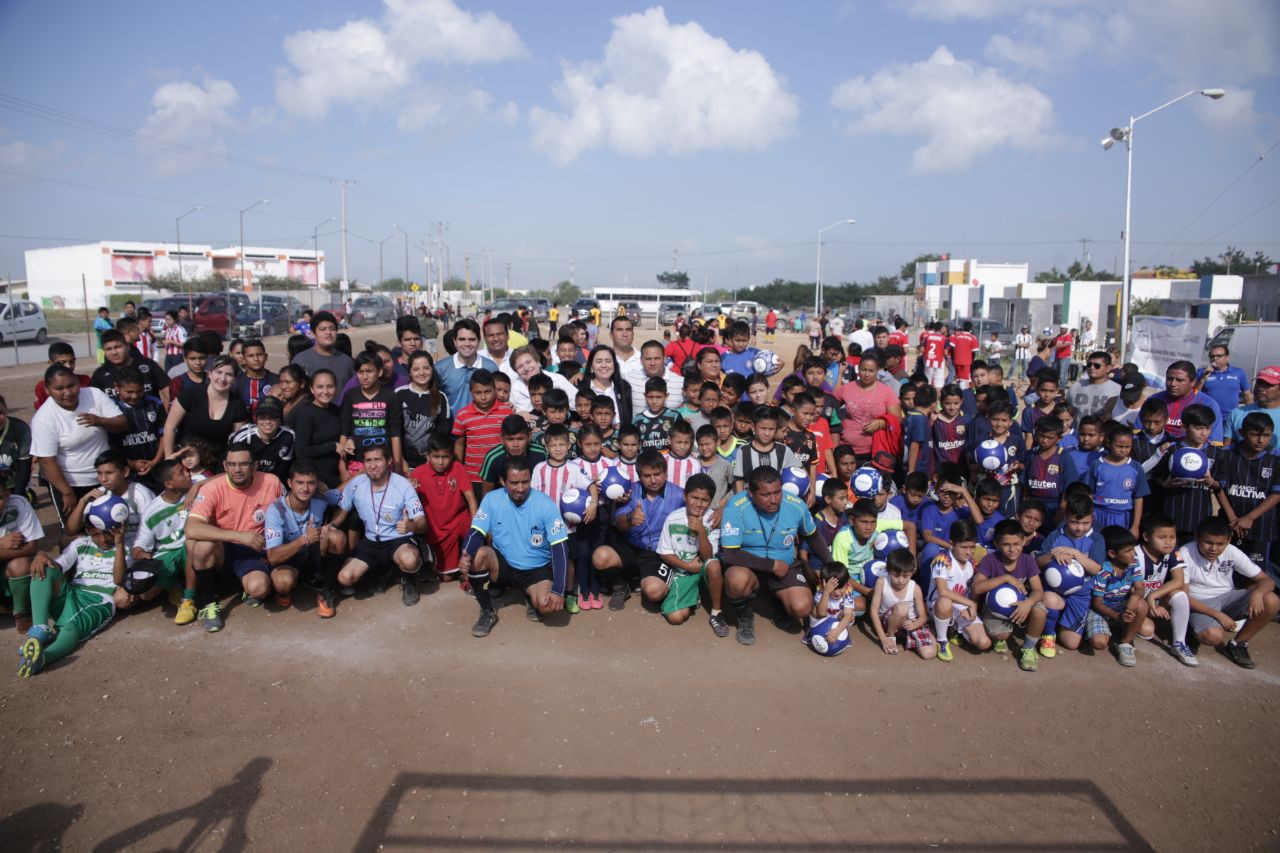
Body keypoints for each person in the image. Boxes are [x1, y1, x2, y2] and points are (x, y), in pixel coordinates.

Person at [718, 466, 833, 646]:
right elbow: (731, 554)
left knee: (802, 607)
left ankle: (778, 600)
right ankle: (744, 614)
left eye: (777, 492)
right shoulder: (736, 506)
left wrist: (832, 565)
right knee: (736, 580)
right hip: (750, 567)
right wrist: (771, 565)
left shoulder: (796, 505)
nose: (774, 500)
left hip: (785, 567)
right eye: (765, 495)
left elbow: (813, 537)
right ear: (750, 493)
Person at [459, 455, 571, 637]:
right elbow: (476, 531)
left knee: (547, 606)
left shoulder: (545, 504)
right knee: (477, 555)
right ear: (503, 481)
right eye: (514, 483)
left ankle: (530, 595)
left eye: (525, 482)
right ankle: (487, 611)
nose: (520, 488)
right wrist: (466, 554)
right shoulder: (491, 500)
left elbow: (560, 549)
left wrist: (559, 588)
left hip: (536, 570)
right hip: (503, 566)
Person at [185, 445, 286, 632]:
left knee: (259, 588)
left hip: (253, 549)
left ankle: (241, 584)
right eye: (231, 464)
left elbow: (287, 513)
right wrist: (238, 536)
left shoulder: (272, 482)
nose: (237, 470)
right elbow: (191, 528)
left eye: (243, 464)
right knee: (199, 546)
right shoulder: (212, 488)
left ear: (254, 466)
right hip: (222, 547)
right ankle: (209, 605)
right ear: (224, 465)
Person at [15, 519, 126, 677]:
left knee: (70, 628)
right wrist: (41, 556)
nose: (103, 539)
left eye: (107, 533)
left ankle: (44, 657)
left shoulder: (126, 547)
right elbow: (57, 566)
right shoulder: (81, 544)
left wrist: (120, 544)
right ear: (88, 531)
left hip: (99, 600)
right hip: (72, 592)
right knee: (43, 568)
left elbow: (119, 580)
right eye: (96, 534)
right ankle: (40, 629)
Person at [329, 444, 426, 607]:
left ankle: (409, 579)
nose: (373, 465)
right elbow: (342, 511)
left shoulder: (403, 485)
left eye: (377, 459)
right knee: (345, 578)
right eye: (368, 460)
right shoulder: (356, 483)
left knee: (409, 560)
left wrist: (411, 526)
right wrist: (330, 525)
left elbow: (422, 523)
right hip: (371, 542)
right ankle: (386, 571)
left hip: (398, 540)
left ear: (388, 460)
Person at [1179, 515, 1279, 669]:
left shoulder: (1231, 551)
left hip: (1227, 598)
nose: (1214, 549)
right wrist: (1217, 615)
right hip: (1197, 603)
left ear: (1229, 540)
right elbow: (1183, 596)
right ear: (1197, 537)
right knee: (1213, 636)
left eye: (1220, 544)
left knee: (1271, 600)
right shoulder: (1185, 552)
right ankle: (1190, 630)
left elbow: (1268, 581)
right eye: (1208, 542)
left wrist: (1258, 594)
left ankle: (1238, 644)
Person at [32, 365, 127, 526]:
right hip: (70, 483)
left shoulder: (94, 394)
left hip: (104, 479)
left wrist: (100, 420)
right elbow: (47, 461)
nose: (68, 393)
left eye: (71, 385)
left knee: (113, 524)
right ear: (47, 390)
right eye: (59, 388)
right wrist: (67, 492)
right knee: (72, 531)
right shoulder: (44, 418)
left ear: (78, 381)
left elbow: (122, 423)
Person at [593, 449, 686, 611]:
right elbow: (620, 524)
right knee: (600, 557)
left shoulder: (679, 495)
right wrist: (630, 519)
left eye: (657, 474)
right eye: (647, 476)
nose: (653, 480)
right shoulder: (629, 491)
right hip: (631, 548)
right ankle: (621, 586)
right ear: (639, 476)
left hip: (659, 553)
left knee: (654, 593)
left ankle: (654, 580)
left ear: (666, 473)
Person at [130, 459, 196, 626]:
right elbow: (139, 546)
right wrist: (142, 555)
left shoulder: (195, 486)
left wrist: (197, 487)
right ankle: (174, 584)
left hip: (192, 548)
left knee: (192, 545)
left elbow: (219, 478)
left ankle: (188, 599)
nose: (188, 473)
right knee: (146, 594)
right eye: (181, 472)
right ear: (169, 484)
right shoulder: (151, 512)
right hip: (168, 554)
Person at [1133, 513, 1197, 667]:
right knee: (1148, 631)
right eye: (1162, 537)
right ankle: (1129, 625)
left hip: (1154, 599)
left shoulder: (1173, 553)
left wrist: (1154, 596)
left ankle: (1179, 644)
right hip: (1136, 601)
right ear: (1147, 536)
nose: (1168, 542)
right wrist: (1147, 601)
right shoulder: (1135, 554)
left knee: (1180, 594)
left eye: (1172, 537)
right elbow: (1132, 589)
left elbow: (1179, 580)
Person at [162, 355, 248, 463]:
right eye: (218, 372)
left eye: (229, 374)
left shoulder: (238, 405)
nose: (222, 378)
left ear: (234, 379)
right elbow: (170, 427)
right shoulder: (190, 395)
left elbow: (237, 441)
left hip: (218, 462)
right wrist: (169, 459)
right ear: (210, 374)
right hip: (186, 459)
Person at [927, 519, 992, 662]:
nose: (969, 552)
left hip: (961, 604)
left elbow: (969, 590)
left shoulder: (971, 562)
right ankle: (942, 640)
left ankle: (954, 629)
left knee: (984, 643)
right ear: (951, 543)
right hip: (938, 605)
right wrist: (971, 604)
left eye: (972, 547)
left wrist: (970, 608)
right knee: (945, 602)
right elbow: (943, 591)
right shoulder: (942, 560)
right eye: (964, 547)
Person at [1086, 526, 1150, 667]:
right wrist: (1118, 617)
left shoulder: (1134, 563)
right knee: (1099, 643)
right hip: (1101, 611)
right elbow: (1097, 604)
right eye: (1128, 551)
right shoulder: (1103, 571)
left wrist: (1134, 597)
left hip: (1120, 605)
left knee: (1141, 604)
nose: (1133, 553)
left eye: (1133, 548)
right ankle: (1113, 627)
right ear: (1112, 553)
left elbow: (1140, 588)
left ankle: (1125, 642)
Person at [1082, 421, 1148, 536]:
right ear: (1109, 443)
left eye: (1127, 447)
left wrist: (1135, 526)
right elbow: (1087, 493)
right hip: (1098, 515)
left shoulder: (1135, 467)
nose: (1123, 450)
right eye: (1119, 446)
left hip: (1123, 517)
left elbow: (1138, 498)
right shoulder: (1097, 465)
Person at [834, 352, 900, 465]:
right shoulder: (847, 388)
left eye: (871, 371)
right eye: (863, 370)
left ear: (877, 370)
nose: (866, 374)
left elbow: (897, 420)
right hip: (847, 452)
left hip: (875, 452)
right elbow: (831, 404)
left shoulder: (886, 391)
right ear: (858, 369)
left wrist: (880, 423)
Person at [871, 548, 936, 658]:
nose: (900, 580)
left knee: (929, 654)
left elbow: (923, 617)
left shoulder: (915, 588)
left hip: (910, 624)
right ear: (887, 570)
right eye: (895, 575)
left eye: (905, 576)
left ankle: (910, 638)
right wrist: (883, 638)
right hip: (888, 623)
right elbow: (873, 612)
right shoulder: (882, 582)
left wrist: (914, 625)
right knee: (902, 607)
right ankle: (891, 637)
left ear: (913, 571)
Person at [1151, 360, 1222, 443]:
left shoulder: (1208, 404)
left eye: (1179, 380)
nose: (1173, 384)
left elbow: (1214, 442)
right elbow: (1139, 432)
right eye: (1170, 379)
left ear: (1193, 382)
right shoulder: (1154, 399)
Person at [435, 319, 498, 412]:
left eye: (472, 339)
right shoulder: (440, 368)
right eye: (462, 339)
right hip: (451, 425)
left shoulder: (491, 367)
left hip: (482, 425)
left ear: (479, 341)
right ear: (454, 341)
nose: (467, 344)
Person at [92, 330, 168, 404]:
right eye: (108, 349)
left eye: (118, 347)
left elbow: (168, 391)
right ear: (104, 351)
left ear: (127, 346)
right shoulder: (99, 375)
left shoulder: (148, 365)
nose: (114, 352)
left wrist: (166, 413)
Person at [229, 396, 296, 478]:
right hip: (245, 479)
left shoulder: (288, 436)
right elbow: (234, 468)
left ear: (280, 420)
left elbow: (282, 468)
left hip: (273, 480)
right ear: (256, 420)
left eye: (273, 417)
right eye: (262, 417)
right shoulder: (243, 438)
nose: (267, 421)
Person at [291, 311, 355, 392]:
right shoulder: (301, 360)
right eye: (323, 329)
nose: (328, 332)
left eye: (332, 329)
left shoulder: (346, 361)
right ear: (313, 333)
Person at [1197, 344, 1251, 432]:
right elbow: (1194, 394)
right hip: (1209, 418)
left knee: (1229, 444)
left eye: (1219, 356)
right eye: (1212, 356)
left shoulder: (1238, 372)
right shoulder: (1201, 372)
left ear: (1227, 357)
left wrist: (1251, 415)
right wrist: (1203, 378)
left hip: (1232, 417)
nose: (1215, 359)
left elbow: (1247, 395)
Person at [1226, 366, 1280, 450]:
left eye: (1268, 385)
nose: (1261, 388)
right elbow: (1226, 450)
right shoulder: (1237, 413)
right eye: (1259, 383)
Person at [1067, 351, 1120, 418]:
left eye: (1097, 366)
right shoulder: (1076, 386)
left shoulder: (1117, 390)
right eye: (1089, 365)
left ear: (1108, 368)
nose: (1092, 368)